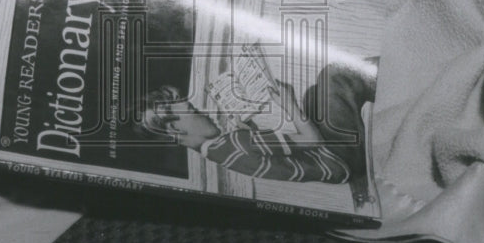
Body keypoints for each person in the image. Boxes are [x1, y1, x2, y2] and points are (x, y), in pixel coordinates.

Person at [138, 78, 357, 184]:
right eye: (194, 111)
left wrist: (249, 130)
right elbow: (312, 140)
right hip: (335, 160)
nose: (203, 112)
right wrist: (288, 104)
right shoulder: (236, 143)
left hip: (327, 168)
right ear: (176, 128)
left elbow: (266, 157)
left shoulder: (218, 153)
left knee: (314, 95)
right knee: (333, 79)